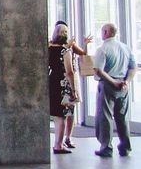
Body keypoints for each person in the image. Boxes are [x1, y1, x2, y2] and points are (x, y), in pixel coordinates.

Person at [91, 22, 136, 158]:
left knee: (105, 116)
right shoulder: (125, 48)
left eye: (102, 31)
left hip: (108, 85)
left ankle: (106, 147)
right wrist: (125, 82)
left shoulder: (103, 49)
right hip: (123, 85)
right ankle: (125, 146)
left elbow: (98, 70)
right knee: (122, 117)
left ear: (106, 33)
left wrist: (113, 81)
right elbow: (133, 67)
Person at [46, 21, 88, 155]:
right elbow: (69, 72)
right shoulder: (65, 51)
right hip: (63, 84)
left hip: (52, 81)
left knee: (57, 116)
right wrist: (74, 90)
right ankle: (59, 144)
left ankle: (58, 143)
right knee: (63, 115)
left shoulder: (49, 48)